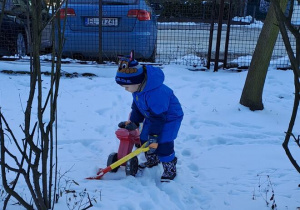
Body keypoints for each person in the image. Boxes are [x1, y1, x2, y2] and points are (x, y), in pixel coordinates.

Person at [115, 51, 184, 182]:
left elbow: (159, 118)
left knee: (163, 143)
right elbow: (137, 107)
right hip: (154, 116)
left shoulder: (156, 93)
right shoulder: (138, 89)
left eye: (126, 86)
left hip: (169, 118)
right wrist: (134, 123)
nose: (125, 89)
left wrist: (155, 136)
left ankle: (170, 167)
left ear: (137, 81)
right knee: (144, 138)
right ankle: (153, 159)